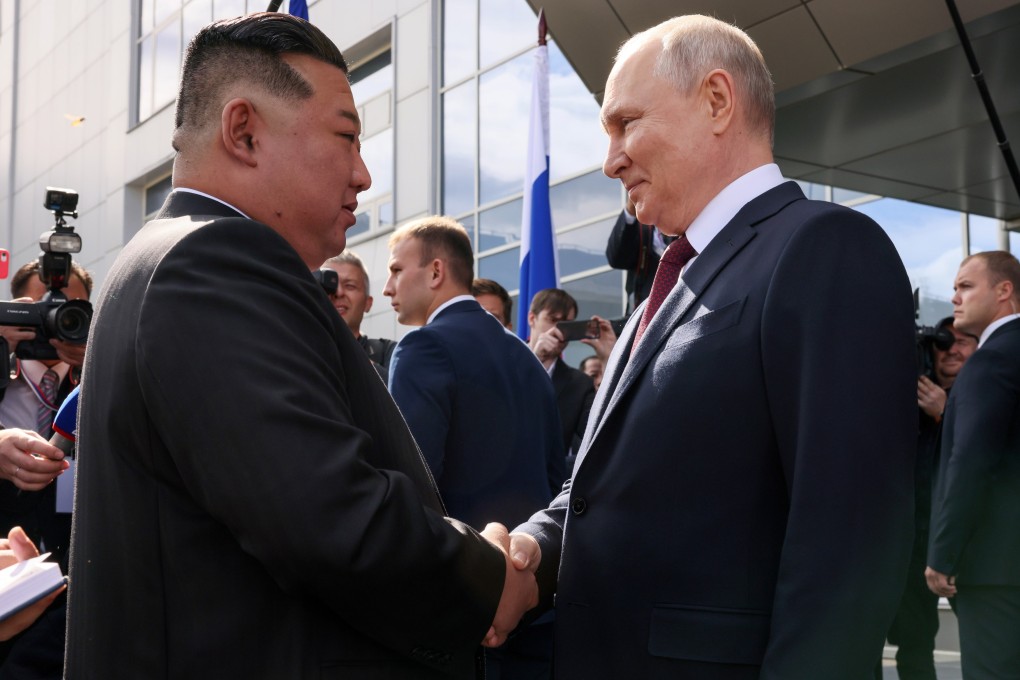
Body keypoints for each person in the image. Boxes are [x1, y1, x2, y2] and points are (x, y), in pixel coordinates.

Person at [66, 14, 535, 678]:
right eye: (346, 136)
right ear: (244, 131)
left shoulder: (171, 259)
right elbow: (333, 520)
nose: (364, 174)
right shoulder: (214, 262)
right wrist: (488, 579)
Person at [499, 15, 917, 678]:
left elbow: (850, 546)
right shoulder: (653, 301)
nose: (610, 160)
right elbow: (599, 489)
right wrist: (528, 550)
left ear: (717, 101)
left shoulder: (823, 249)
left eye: (625, 123)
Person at [385, 217, 564, 679]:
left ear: (436, 272)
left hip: (463, 618)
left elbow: (413, 487)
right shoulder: (527, 357)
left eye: (396, 270)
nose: (388, 288)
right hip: (536, 600)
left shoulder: (423, 348)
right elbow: (553, 477)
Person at [926, 251, 1020, 680]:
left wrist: (943, 554)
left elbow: (970, 462)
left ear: (1004, 291)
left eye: (965, 286)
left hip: (994, 568)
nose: (954, 299)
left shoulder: (992, 360)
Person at [880, 317, 977, 680]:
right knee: (915, 647)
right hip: (911, 549)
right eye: (942, 341)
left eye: (963, 341)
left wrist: (945, 413)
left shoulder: (992, 390)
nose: (951, 348)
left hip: (968, 552)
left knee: (990, 648)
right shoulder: (911, 404)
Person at [526, 289, 596, 471]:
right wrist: (535, 361)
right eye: (552, 320)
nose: (558, 331)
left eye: (566, 323)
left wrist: (610, 358)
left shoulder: (580, 384)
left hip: (550, 489)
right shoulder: (504, 364)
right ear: (532, 319)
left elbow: (599, 436)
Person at [321, 250, 397, 380]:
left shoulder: (390, 353)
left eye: (349, 286)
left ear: (368, 303)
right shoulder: (300, 351)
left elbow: (399, 394)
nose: (338, 293)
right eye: (330, 285)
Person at [605, 197, 674, 314]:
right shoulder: (639, 226)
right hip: (644, 311)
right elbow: (616, 259)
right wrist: (631, 209)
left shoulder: (685, 216)